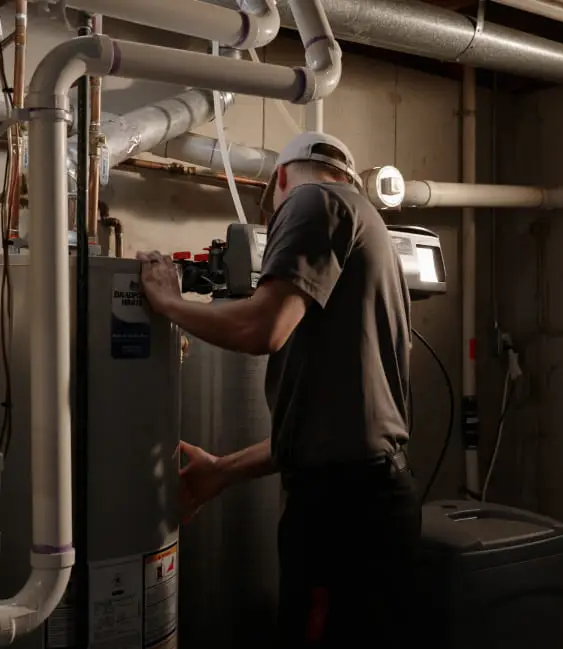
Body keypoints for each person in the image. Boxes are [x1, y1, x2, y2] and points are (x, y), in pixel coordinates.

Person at [137, 131, 421, 647]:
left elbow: (261, 329)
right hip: (372, 506)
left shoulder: (314, 199)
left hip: (340, 519)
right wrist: (221, 473)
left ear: (281, 179)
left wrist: (169, 304)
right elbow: (335, 429)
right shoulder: (369, 225)